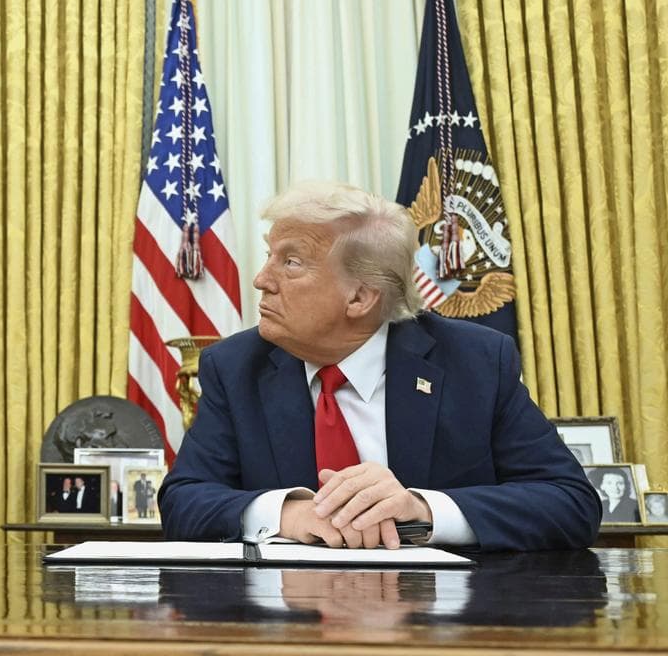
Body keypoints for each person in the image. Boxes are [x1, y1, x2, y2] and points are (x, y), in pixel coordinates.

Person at [159, 182, 600, 551]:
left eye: (290, 262)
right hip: (288, 626)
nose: (261, 279)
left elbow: (569, 503)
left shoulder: (476, 362)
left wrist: (422, 510)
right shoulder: (237, 367)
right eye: (270, 255)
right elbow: (183, 501)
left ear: (360, 297)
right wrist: (286, 513)